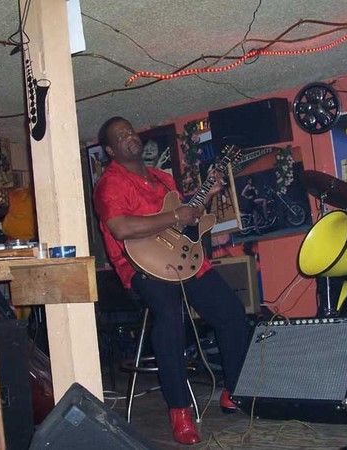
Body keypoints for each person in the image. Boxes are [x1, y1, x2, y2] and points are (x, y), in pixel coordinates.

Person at [93, 117, 250, 445]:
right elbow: (120, 228)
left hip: (183, 259)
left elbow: (184, 224)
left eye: (131, 131)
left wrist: (205, 197)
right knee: (169, 316)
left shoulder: (163, 178)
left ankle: (234, 390)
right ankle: (180, 411)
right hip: (142, 267)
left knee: (232, 312)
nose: (130, 137)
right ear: (110, 150)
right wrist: (176, 215)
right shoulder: (110, 183)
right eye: (121, 136)